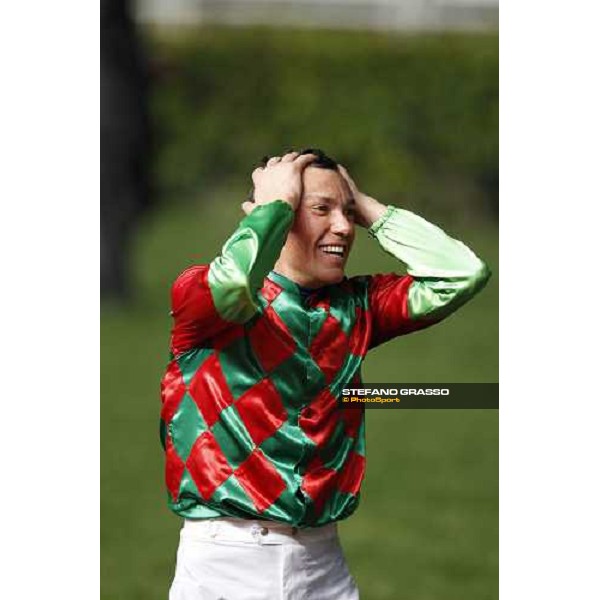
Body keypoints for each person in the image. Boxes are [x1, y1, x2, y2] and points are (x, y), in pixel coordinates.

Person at [160, 148, 491, 599]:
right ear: (276, 219)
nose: (342, 227)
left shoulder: (358, 305)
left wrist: (365, 205)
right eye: (320, 209)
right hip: (224, 565)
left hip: (324, 565)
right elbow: (236, 282)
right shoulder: (206, 302)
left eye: (347, 213)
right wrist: (274, 206)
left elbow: (461, 273)